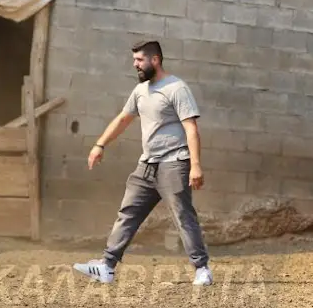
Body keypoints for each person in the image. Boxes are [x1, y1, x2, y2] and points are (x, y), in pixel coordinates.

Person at [72, 39, 213, 286]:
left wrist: (195, 165)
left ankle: (202, 269)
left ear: (155, 60)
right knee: (128, 213)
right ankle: (107, 267)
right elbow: (123, 119)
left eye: (139, 60)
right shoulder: (140, 91)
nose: (135, 65)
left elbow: (191, 128)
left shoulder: (176, 88)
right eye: (134, 60)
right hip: (146, 166)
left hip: (174, 163)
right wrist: (100, 145)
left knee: (183, 215)